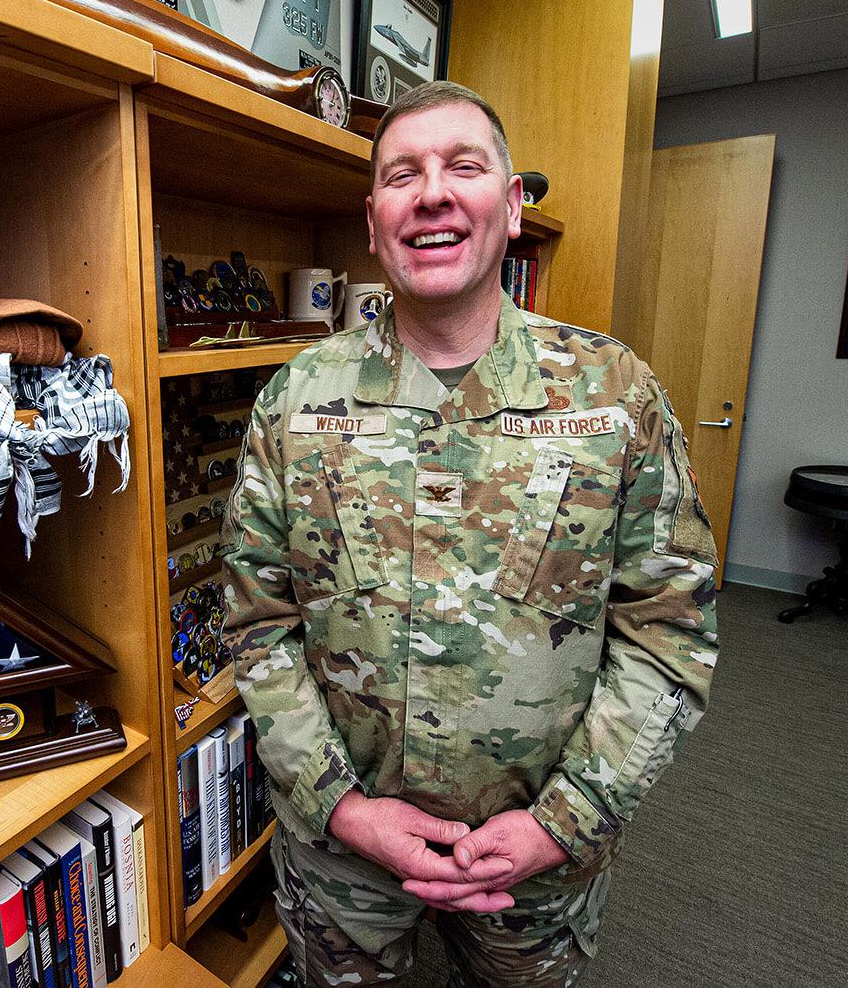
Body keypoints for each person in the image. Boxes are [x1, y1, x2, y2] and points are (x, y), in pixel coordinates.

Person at [218, 81, 720, 987]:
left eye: (464, 166)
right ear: (374, 224)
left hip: (535, 864)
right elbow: (258, 624)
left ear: (513, 205)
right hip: (343, 858)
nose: (433, 193)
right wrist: (341, 808)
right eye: (401, 175)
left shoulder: (612, 396)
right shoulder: (295, 402)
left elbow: (669, 634)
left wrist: (562, 823)